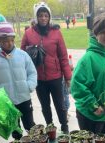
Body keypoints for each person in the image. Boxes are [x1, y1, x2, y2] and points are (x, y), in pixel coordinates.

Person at [21, 2, 72, 133]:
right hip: (38, 78)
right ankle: (50, 126)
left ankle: (64, 126)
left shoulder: (56, 33)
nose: (43, 18)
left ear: (49, 17)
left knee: (60, 105)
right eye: (40, 15)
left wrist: (67, 77)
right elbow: (22, 56)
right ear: (36, 17)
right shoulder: (28, 34)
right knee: (45, 106)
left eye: (46, 15)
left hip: (55, 77)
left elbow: (63, 56)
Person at [0, 22, 37, 140]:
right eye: (5, 41)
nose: (9, 43)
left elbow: (32, 72)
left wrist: (29, 86)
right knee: (15, 128)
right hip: (7, 101)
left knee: (30, 125)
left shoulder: (23, 55)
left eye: (12, 40)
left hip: (24, 98)